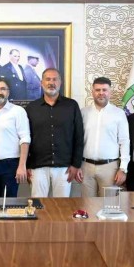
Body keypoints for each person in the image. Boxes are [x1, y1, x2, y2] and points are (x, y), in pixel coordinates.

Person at [25, 68, 83, 197]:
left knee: (62, 205)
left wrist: (76, 164)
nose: (51, 83)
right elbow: (26, 138)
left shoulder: (72, 106)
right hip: (37, 167)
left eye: (55, 79)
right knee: (38, 204)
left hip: (64, 167)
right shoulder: (31, 108)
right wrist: (27, 165)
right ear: (41, 83)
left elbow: (79, 137)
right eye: (48, 79)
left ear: (60, 82)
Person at [79, 77, 130, 197]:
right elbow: (77, 141)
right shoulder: (83, 112)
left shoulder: (119, 114)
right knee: (87, 205)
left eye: (104, 90)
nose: (101, 93)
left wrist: (123, 168)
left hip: (110, 168)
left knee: (109, 205)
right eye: (97, 90)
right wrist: (77, 165)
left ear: (110, 92)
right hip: (86, 167)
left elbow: (124, 142)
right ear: (92, 92)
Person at [0, 79, 31, 197]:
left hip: (10, 165)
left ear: (8, 92)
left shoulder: (18, 111)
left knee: (8, 202)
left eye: (3, 89)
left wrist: (22, 166)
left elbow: (25, 139)